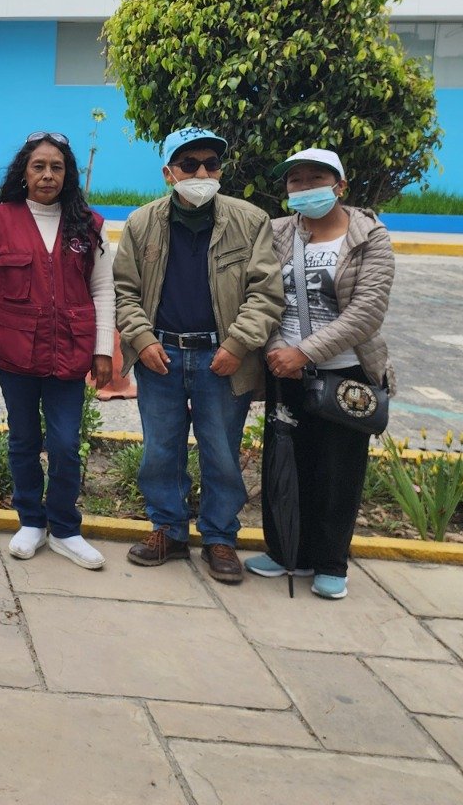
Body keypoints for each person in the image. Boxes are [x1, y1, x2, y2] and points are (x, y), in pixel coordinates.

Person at [113, 126, 282, 584]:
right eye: (190, 165)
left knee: (222, 452)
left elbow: (266, 293)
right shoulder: (141, 223)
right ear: (169, 173)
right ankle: (167, 529)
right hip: (160, 354)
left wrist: (237, 344)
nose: (202, 172)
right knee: (160, 450)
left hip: (222, 359)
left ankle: (219, 537)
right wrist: (142, 340)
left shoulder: (249, 221)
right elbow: (124, 292)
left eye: (211, 163)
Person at [250, 148, 395, 601]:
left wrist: (304, 353)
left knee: (339, 469)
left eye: (316, 179)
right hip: (283, 370)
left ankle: (331, 562)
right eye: (296, 181)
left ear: (341, 186)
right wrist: (278, 350)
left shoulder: (369, 237)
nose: (305, 188)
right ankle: (285, 552)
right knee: (285, 460)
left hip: (345, 372)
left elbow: (366, 312)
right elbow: (260, 294)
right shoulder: (275, 233)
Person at [0, 132, 114, 570]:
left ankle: (66, 529)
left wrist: (103, 349)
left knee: (66, 443)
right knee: (23, 440)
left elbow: (103, 288)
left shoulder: (88, 225)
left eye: (56, 167)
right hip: (15, 351)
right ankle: (31, 521)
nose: (48, 175)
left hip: (69, 352)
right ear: (24, 171)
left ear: (67, 174)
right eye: (39, 166)